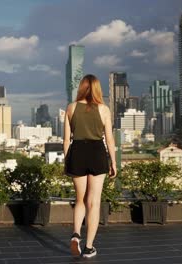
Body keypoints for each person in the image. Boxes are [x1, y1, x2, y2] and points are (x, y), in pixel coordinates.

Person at [63, 74, 117, 258]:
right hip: (97, 153)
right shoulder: (104, 109)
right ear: (97, 89)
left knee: (80, 200)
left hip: (77, 152)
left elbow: (66, 140)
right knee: (93, 202)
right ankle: (88, 247)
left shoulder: (71, 108)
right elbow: (109, 139)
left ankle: (76, 234)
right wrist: (114, 162)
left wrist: (67, 160)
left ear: (82, 88)